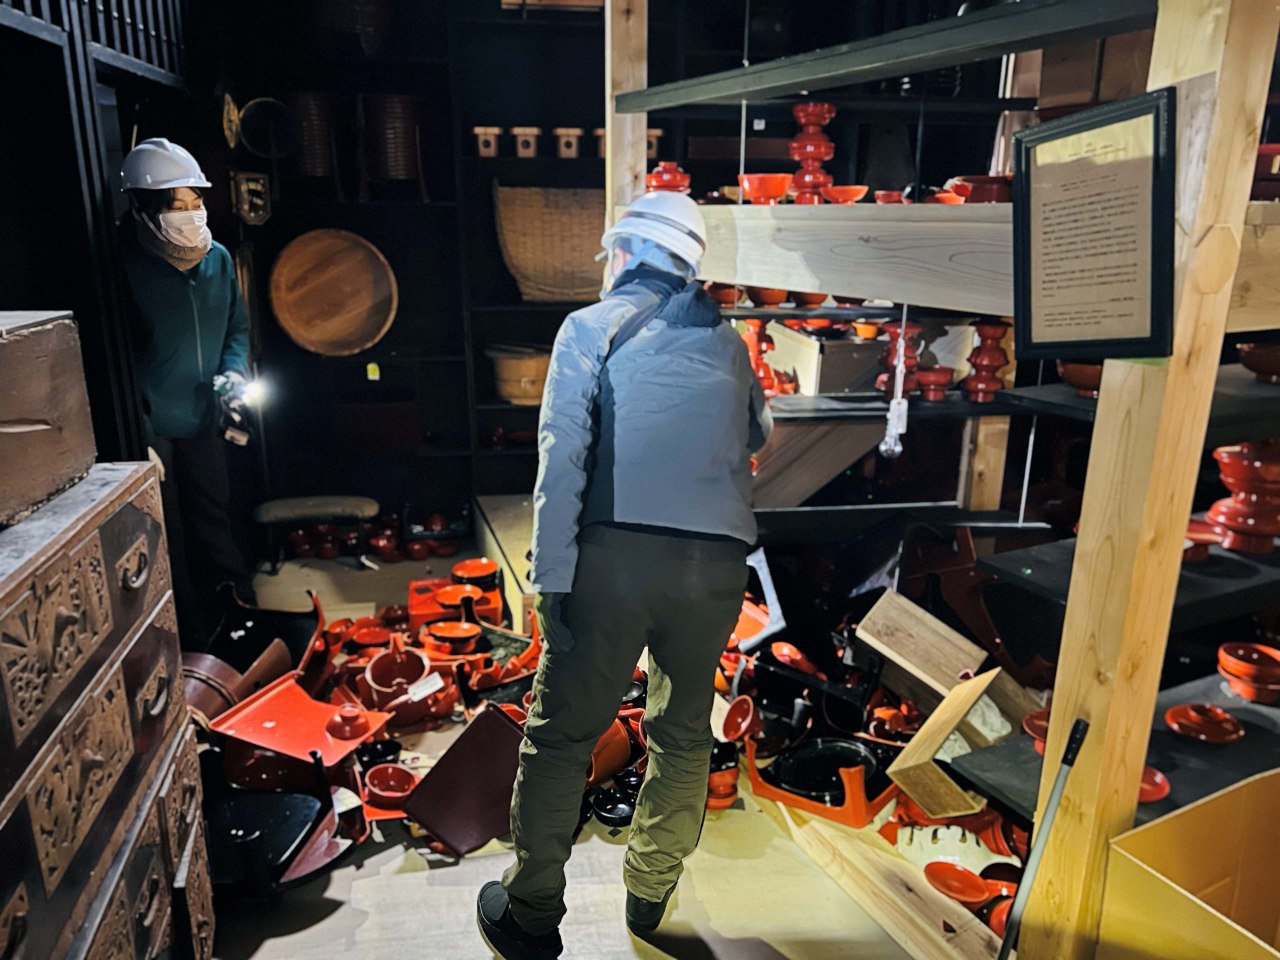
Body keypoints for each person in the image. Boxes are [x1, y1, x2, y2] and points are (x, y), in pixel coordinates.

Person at [477, 191, 773, 959]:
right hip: (715, 567)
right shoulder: (729, 342)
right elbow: (758, 433)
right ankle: (650, 895)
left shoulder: (589, 329)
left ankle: (530, 915)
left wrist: (551, 576)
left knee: (562, 736)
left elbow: (561, 458)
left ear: (626, 253)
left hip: (614, 559)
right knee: (682, 735)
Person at [117, 138, 255, 650]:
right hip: (154, 430)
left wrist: (234, 374)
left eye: (197, 201)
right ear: (145, 209)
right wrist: (138, 434)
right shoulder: (125, 268)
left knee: (214, 521)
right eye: (178, 206)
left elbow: (237, 328)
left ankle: (241, 622)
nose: (192, 214)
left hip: (202, 418)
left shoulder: (217, 260)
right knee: (167, 535)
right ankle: (189, 642)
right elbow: (116, 358)